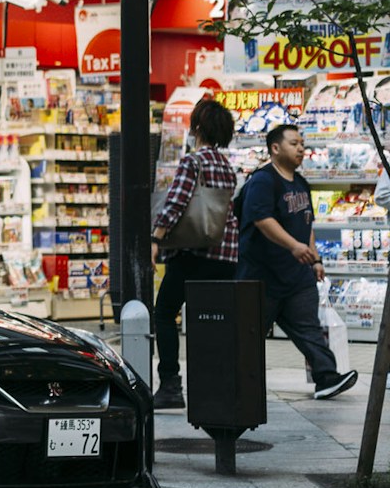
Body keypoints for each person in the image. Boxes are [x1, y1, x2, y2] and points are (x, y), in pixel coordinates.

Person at [238, 124, 358, 400]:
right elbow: (262, 220)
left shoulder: (301, 182)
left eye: (302, 143)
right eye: (294, 143)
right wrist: (293, 246)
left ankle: (327, 378)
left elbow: (307, 224)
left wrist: (314, 258)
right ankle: (236, 381)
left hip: (296, 277)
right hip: (262, 277)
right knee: (248, 333)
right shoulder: (263, 181)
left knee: (309, 329)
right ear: (275, 148)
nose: (301, 148)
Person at [149, 98, 242, 408]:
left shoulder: (193, 162)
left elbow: (175, 204)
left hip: (194, 254)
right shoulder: (227, 166)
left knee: (163, 313)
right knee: (210, 321)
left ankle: (171, 385)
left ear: (197, 127)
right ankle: (214, 384)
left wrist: (156, 238)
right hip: (225, 256)